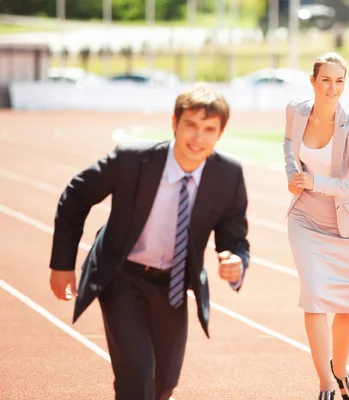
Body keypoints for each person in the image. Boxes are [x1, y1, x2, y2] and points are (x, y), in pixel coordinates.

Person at [48, 83, 250, 399]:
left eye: (209, 129)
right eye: (191, 126)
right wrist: (62, 264)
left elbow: (234, 236)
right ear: (174, 123)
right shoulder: (131, 160)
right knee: (137, 377)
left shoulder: (228, 175)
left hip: (173, 285)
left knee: (163, 384)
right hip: (121, 277)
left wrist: (236, 259)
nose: (198, 138)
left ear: (220, 134)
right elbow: (76, 195)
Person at [283, 52, 349, 400]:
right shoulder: (295, 110)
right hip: (305, 219)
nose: (332, 87)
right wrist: (293, 176)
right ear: (312, 81)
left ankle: (340, 370)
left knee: (347, 311)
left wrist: (315, 181)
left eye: (339, 81)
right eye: (326, 80)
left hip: (347, 226)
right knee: (314, 300)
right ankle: (325, 384)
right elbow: (287, 147)